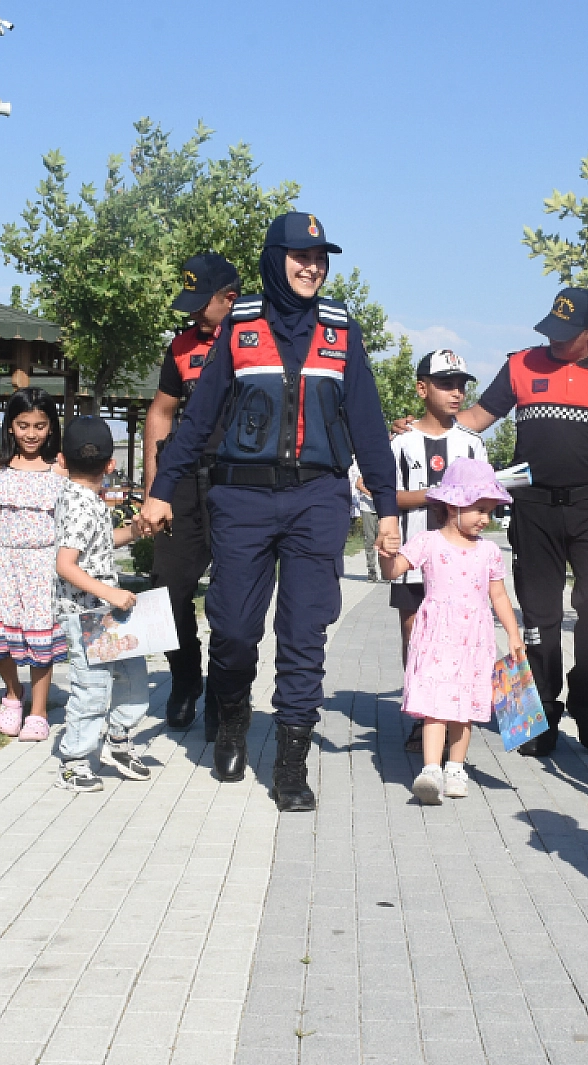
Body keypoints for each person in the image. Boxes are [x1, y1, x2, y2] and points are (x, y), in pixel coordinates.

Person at [139, 212, 400, 810]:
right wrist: (161, 489)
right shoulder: (240, 324)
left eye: (321, 257)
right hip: (242, 497)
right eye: (300, 256)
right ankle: (230, 719)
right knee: (232, 626)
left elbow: (366, 424)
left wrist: (385, 508)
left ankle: (290, 763)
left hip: (318, 498)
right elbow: (197, 419)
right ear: (273, 258)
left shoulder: (341, 330)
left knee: (304, 631)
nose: (312, 267)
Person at [446, 287, 588, 756]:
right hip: (532, 504)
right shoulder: (521, 365)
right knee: (538, 614)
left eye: (566, 336)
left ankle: (584, 700)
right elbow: (476, 418)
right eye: (551, 333)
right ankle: (538, 712)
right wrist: (428, 428)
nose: (555, 343)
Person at [382, 458, 523, 805]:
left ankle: (456, 767)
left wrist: (513, 633)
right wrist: (385, 552)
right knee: (436, 704)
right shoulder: (428, 542)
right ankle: (431, 769)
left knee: (466, 706)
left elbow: (499, 595)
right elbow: (394, 569)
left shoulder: (489, 551)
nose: (485, 519)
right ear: (452, 505)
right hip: (436, 636)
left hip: (474, 639)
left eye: (489, 511)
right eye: (479, 509)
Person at [145, 253, 240, 733]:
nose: (192, 314)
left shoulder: (252, 341)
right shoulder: (180, 347)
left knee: (231, 597)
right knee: (166, 588)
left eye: (201, 304)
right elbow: (160, 413)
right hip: (183, 479)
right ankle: (185, 679)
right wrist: (151, 490)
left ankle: (227, 696)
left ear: (230, 298)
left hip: (237, 481)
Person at [389, 349, 486, 752]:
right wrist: (433, 494)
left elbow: (484, 498)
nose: (456, 392)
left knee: (460, 639)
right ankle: (422, 715)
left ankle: (455, 717)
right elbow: (387, 496)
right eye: (446, 383)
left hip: (460, 564)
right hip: (414, 561)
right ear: (422, 388)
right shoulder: (402, 443)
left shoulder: (471, 444)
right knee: (417, 636)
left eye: (461, 385)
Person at [0, 387, 68, 742]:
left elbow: (67, 521)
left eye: (39, 426)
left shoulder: (58, 468)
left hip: (43, 564)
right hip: (6, 562)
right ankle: (12, 693)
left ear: (50, 428)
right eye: (23, 425)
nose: (31, 434)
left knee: (41, 640)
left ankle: (38, 711)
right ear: (10, 427)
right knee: (2, 640)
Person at [53, 415, 153, 792]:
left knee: (131, 676)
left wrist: (133, 532)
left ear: (62, 460)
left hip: (105, 615)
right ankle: (75, 760)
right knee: (92, 687)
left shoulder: (81, 499)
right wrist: (111, 593)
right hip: (85, 615)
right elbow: (65, 564)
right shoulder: (80, 503)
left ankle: (118, 740)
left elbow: (97, 544)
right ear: (111, 464)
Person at [348, 460, 382, 583]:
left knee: (382, 540)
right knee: (370, 540)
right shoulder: (368, 466)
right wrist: (371, 494)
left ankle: (384, 571)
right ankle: (372, 571)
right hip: (367, 507)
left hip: (381, 508)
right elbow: (358, 483)